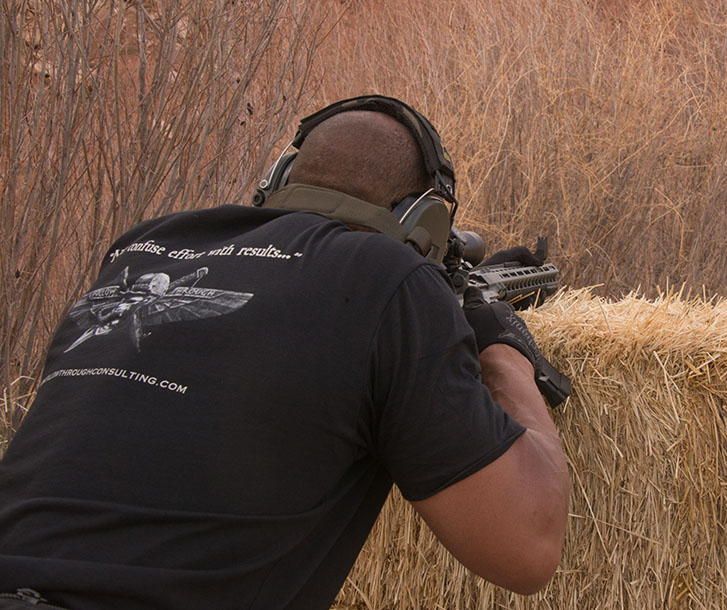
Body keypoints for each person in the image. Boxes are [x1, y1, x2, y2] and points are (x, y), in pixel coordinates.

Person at [0, 96, 570, 610]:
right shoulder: (389, 281)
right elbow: (529, 547)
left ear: (277, 180)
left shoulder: (142, 249)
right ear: (418, 220)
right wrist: (501, 348)